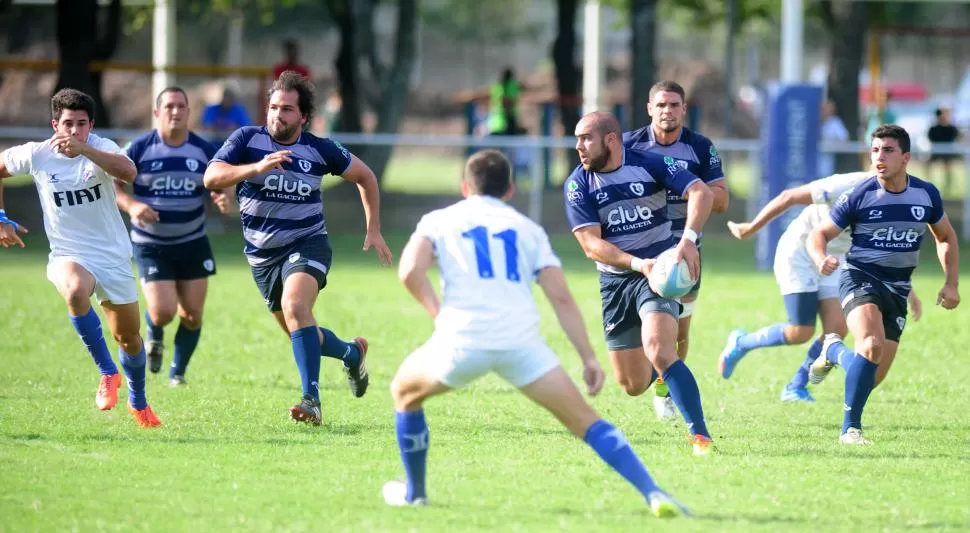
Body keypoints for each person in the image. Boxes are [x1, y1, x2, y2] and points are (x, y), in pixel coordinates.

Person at [382, 149, 690, 518]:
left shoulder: (439, 220)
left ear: (465, 187)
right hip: (521, 344)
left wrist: (438, 313)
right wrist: (588, 358)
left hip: (462, 339)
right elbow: (560, 297)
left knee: (404, 392)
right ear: (511, 190)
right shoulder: (528, 230)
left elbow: (409, 272)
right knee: (588, 423)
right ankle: (654, 492)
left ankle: (415, 493)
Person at [203, 71, 394, 425]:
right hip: (262, 257)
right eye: (274, 107)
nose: (278, 115)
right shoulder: (246, 139)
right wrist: (254, 168)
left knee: (295, 305)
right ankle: (352, 354)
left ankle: (311, 400)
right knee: (301, 330)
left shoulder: (319, 149)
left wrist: (374, 229)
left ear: (303, 116)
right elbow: (211, 177)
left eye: (288, 109)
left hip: (308, 243)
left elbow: (366, 176)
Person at [0, 88, 161, 427]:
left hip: (112, 255)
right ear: (53, 124)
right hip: (68, 252)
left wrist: (86, 150)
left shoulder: (101, 148)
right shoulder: (37, 154)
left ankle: (138, 400)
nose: (73, 132)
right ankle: (106, 371)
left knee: (129, 339)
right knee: (74, 290)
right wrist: (1, 217)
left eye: (81, 124)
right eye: (67, 124)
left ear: (91, 126)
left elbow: (129, 173)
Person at [565, 111, 716, 455]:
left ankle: (701, 437)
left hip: (659, 276)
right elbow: (591, 245)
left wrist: (689, 238)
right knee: (632, 384)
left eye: (586, 138)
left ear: (611, 140)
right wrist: (638, 264)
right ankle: (663, 376)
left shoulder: (650, 163)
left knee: (660, 349)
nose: (579, 147)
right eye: (577, 139)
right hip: (617, 281)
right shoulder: (578, 184)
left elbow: (701, 193)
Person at [807, 125, 960, 445]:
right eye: (875, 150)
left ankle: (833, 349)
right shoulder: (859, 195)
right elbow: (818, 235)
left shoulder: (926, 194)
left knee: (870, 376)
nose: (879, 157)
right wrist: (821, 257)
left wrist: (951, 283)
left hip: (899, 289)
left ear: (906, 158)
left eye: (887, 151)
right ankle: (850, 430)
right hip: (860, 278)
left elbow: (945, 236)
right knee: (871, 345)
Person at [718, 168, 922, 401]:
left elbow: (886, 250)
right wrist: (751, 228)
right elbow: (789, 197)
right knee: (801, 331)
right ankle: (742, 343)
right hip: (801, 252)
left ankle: (795, 387)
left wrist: (909, 290)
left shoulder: (897, 202)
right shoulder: (846, 184)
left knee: (836, 328)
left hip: (836, 260)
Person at [623, 80, 729, 420]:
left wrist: (686, 187)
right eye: (661, 105)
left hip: (684, 249)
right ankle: (647, 367)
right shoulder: (629, 146)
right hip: (641, 246)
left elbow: (722, 200)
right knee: (646, 330)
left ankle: (664, 388)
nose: (667, 111)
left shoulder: (700, 147)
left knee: (681, 330)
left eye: (674, 105)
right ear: (649, 109)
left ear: (684, 109)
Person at [115, 86, 233, 386]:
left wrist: (220, 197)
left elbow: (219, 184)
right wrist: (132, 205)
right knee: (164, 311)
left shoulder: (205, 151)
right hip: (151, 244)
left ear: (189, 112)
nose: (176, 111)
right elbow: (112, 185)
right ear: (157, 113)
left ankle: (177, 373)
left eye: (181, 106)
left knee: (192, 314)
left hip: (193, 241)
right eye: (169, 106)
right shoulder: (139, 148)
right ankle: (154, 335)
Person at [927, 107, 962, 196]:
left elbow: (957, 139)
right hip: (936, 152)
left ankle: (948, 185)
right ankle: (929, 185)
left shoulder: (952, 128)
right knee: (928, 165)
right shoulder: (933, 128)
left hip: (948, 153)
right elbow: (931, 139)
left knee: (948, 167)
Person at [817, 99, 849, 178]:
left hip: (826, 165)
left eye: (828, 109)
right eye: (823, 109)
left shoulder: (835, 122)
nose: (825, 111)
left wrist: (832, 144)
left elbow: (845, 139)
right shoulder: (813, 121)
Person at [487, 67, 523, 136]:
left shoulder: (497, 87)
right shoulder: (508, 87)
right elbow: (507, 102)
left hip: (499, 121)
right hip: (501, 122)